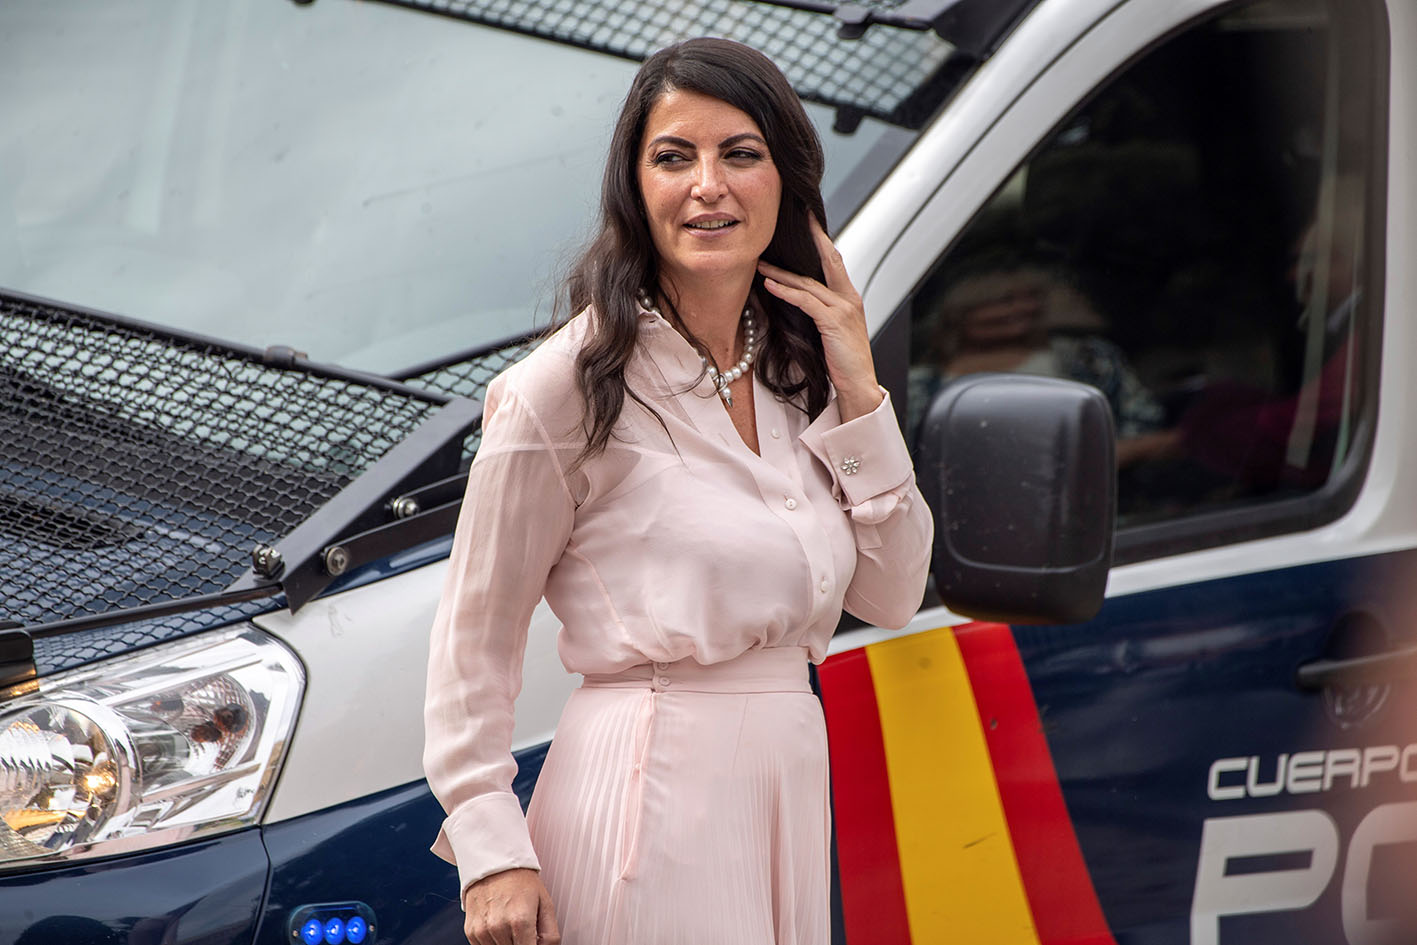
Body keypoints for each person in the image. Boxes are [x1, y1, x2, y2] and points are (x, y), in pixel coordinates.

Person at [423, 38, 932, 945]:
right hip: (647, 785)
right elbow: (474, 638)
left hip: (785, 773)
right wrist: (491, 850)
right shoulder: (564, 386)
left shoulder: (799, 376)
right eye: (673, 156)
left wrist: (860, 391)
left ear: (786, 184)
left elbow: (890, 596)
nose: (708, 185)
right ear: (635, 187)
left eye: (740, 153)